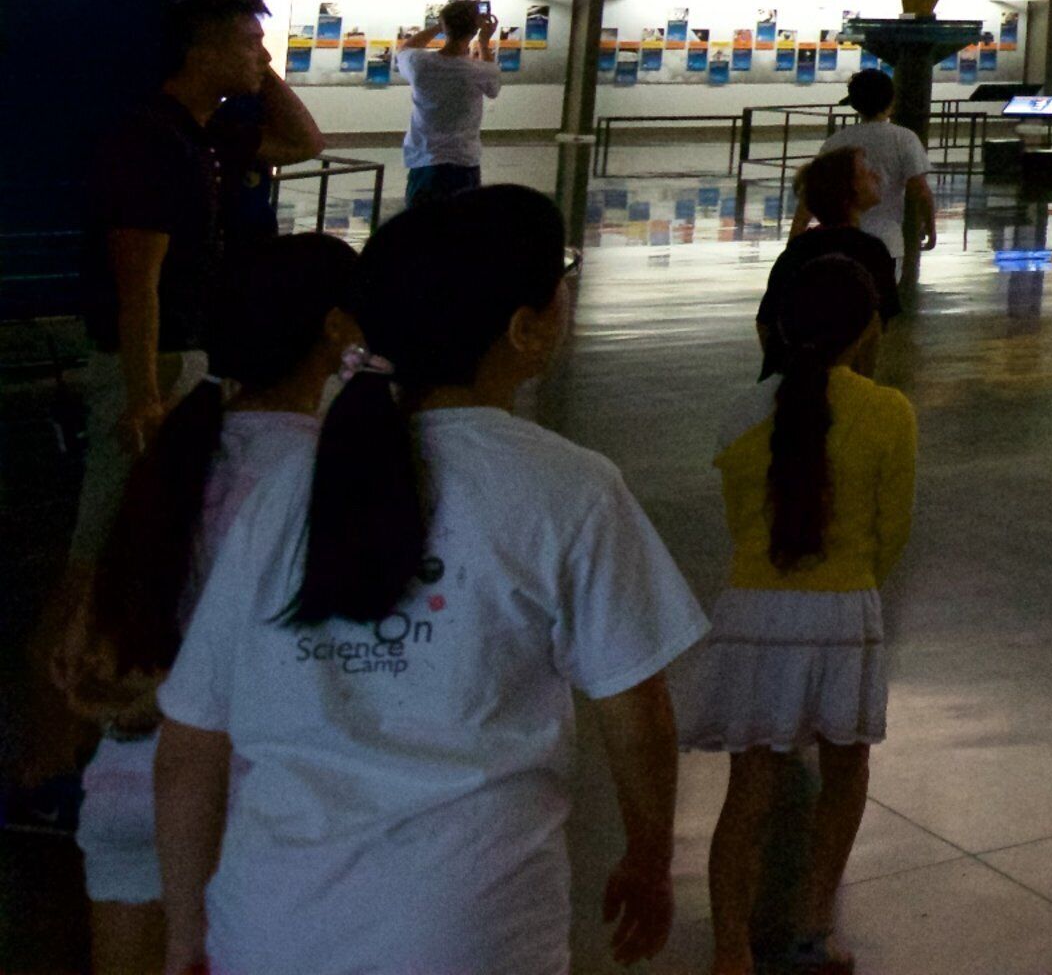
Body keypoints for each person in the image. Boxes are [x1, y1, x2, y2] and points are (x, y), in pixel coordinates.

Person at [155, 185, 709, 975]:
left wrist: (185, 938)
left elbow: (191, 741)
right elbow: (637, 715)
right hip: (471, 926)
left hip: (270, 921)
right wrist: (650, 860)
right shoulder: (568, 488)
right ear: (525, 329)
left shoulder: (286, 487)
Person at [54, 234, 351, 975]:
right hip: (236, 799)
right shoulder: (320, 474)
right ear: (338, 331)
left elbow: (88, 650)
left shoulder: (176, 453)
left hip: (126, 779)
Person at [671, 255, 917, 975]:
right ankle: (814, 926)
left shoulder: (740, 415)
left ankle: (728, 951)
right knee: (845, 771)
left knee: (749, 789)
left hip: (753, 613)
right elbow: (891, 532)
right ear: (867, 330)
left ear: (775, 328)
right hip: (845, 612)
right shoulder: (889, 413)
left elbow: (740, 522)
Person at [76, 0, 319, 565]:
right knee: (112, 524)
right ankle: (74, 640)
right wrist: (144, 399)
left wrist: (260, 76)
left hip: (187, 351)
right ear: (201, 54)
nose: (263, 56)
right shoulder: (153, 141)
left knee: (159, 522)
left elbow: (307, 143)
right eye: (250, 44)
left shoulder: (206, 134)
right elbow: (139, 284)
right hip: (153, 359)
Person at [758, 150, 900, 376]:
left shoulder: (797, 249)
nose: (876, 176)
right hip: (843, 384)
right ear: (848, 192)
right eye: (865, 173)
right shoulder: (871, 252)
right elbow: (874, 326)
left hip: (791, 386)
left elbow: (765, 323)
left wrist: (789, 374)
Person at [813, 68, 934, 269]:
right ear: (891, 101)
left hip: (842, 242)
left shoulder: (835, 142)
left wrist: (796, 236)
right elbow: (919, 189)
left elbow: (814, 191)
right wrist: (929, 225)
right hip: (887, 243)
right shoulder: (904, 139)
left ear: (853, 103)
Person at [395, 0, 503, 207]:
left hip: (424, 160)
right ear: (475, 30)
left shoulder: (419, 63)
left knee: (421, 227)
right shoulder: (480, 71)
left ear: (445, 26)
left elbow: (406, 48)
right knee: (460, 229)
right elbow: (493, 88)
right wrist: (483, 42)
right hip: (464, 161)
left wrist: (440, 25)